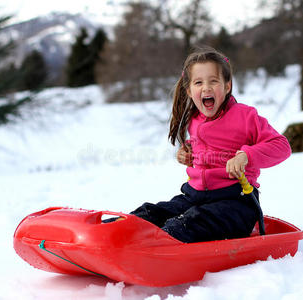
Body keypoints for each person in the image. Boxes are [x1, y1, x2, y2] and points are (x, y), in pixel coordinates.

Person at [113, 47, 291, 243]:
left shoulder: (245, 116)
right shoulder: (194, 120)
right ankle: (113, 232)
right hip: (194, 197)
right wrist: (187, 151)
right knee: (151, 214)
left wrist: (246, 156)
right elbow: (206, 144)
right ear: (190, 91)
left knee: (184, 225)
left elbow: (281, 146)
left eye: (213, 81)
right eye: (199, 82)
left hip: (235, 203)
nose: (206, 88)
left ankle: (154, 247)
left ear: (227, 86)